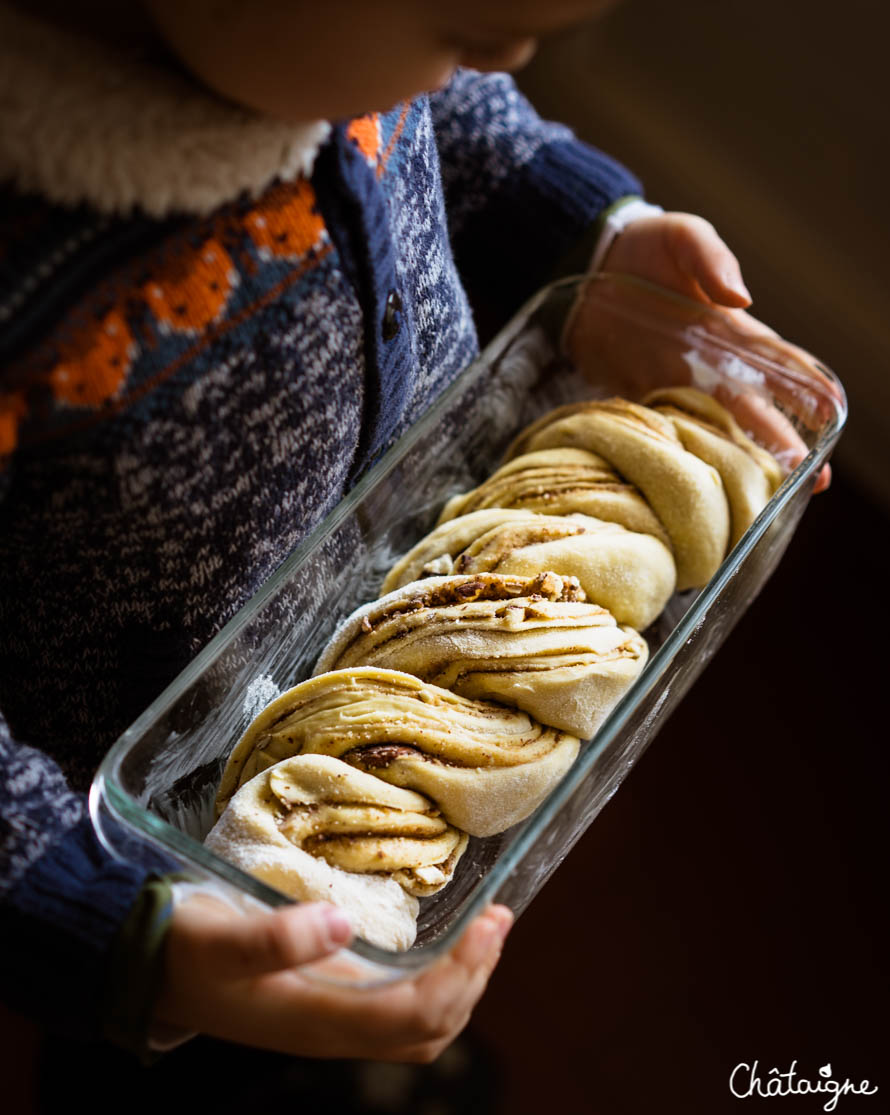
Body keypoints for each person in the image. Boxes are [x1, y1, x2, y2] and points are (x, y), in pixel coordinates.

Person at [0, 0, 831, 1075]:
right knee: (236, 1059)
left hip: (443, 602)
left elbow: (449, 110)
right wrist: (109, 927)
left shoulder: (326, 46)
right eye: (460, 20)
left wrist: (584, 239)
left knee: (401, 944)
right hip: (179, 844)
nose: (505, 54)